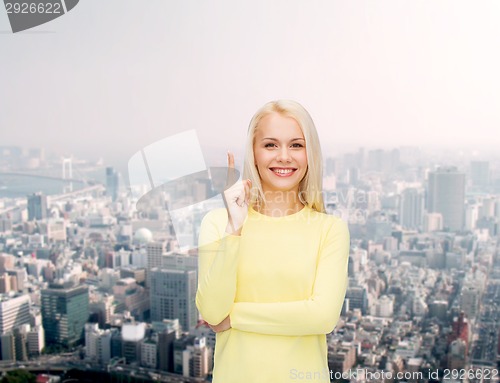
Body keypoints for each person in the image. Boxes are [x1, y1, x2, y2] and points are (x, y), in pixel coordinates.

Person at [195, 100, 350, 382]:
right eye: (270, 145)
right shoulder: (218, 224)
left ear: (310, 154)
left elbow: (323, 316)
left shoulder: (330, 229)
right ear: (253, 153)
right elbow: (213, 313)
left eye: (296, 145)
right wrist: (235, 228)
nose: (284, 157)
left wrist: (236, 318)